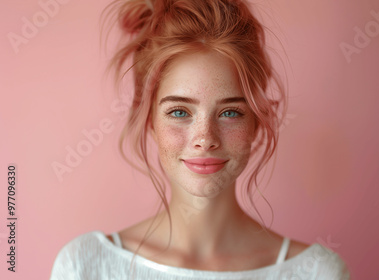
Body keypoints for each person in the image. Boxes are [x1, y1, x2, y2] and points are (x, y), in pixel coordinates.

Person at [50, 0, 350, 279]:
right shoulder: (85, 266)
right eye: (179, 112)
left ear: (257, 121)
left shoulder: (317, 272)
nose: (205, 139)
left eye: (230, 112)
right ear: (149, 119)